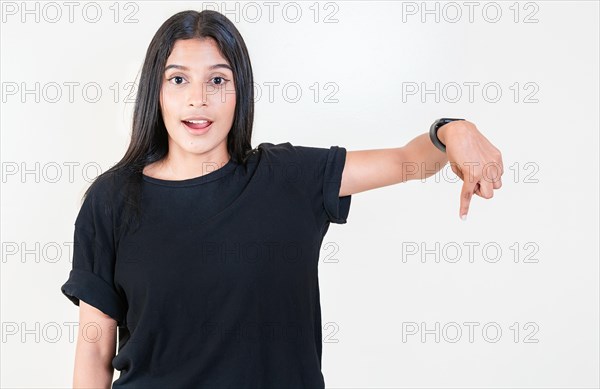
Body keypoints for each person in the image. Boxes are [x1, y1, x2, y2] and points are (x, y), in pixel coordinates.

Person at [60, 9, 503, 389]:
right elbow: (93, 358)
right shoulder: (112, 200)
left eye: (218, 80)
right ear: (156, 93)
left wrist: (452, 130)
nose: (198, 99)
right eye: (178, 79)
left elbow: (411, 160)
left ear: (240, 92)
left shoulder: (289, 178)